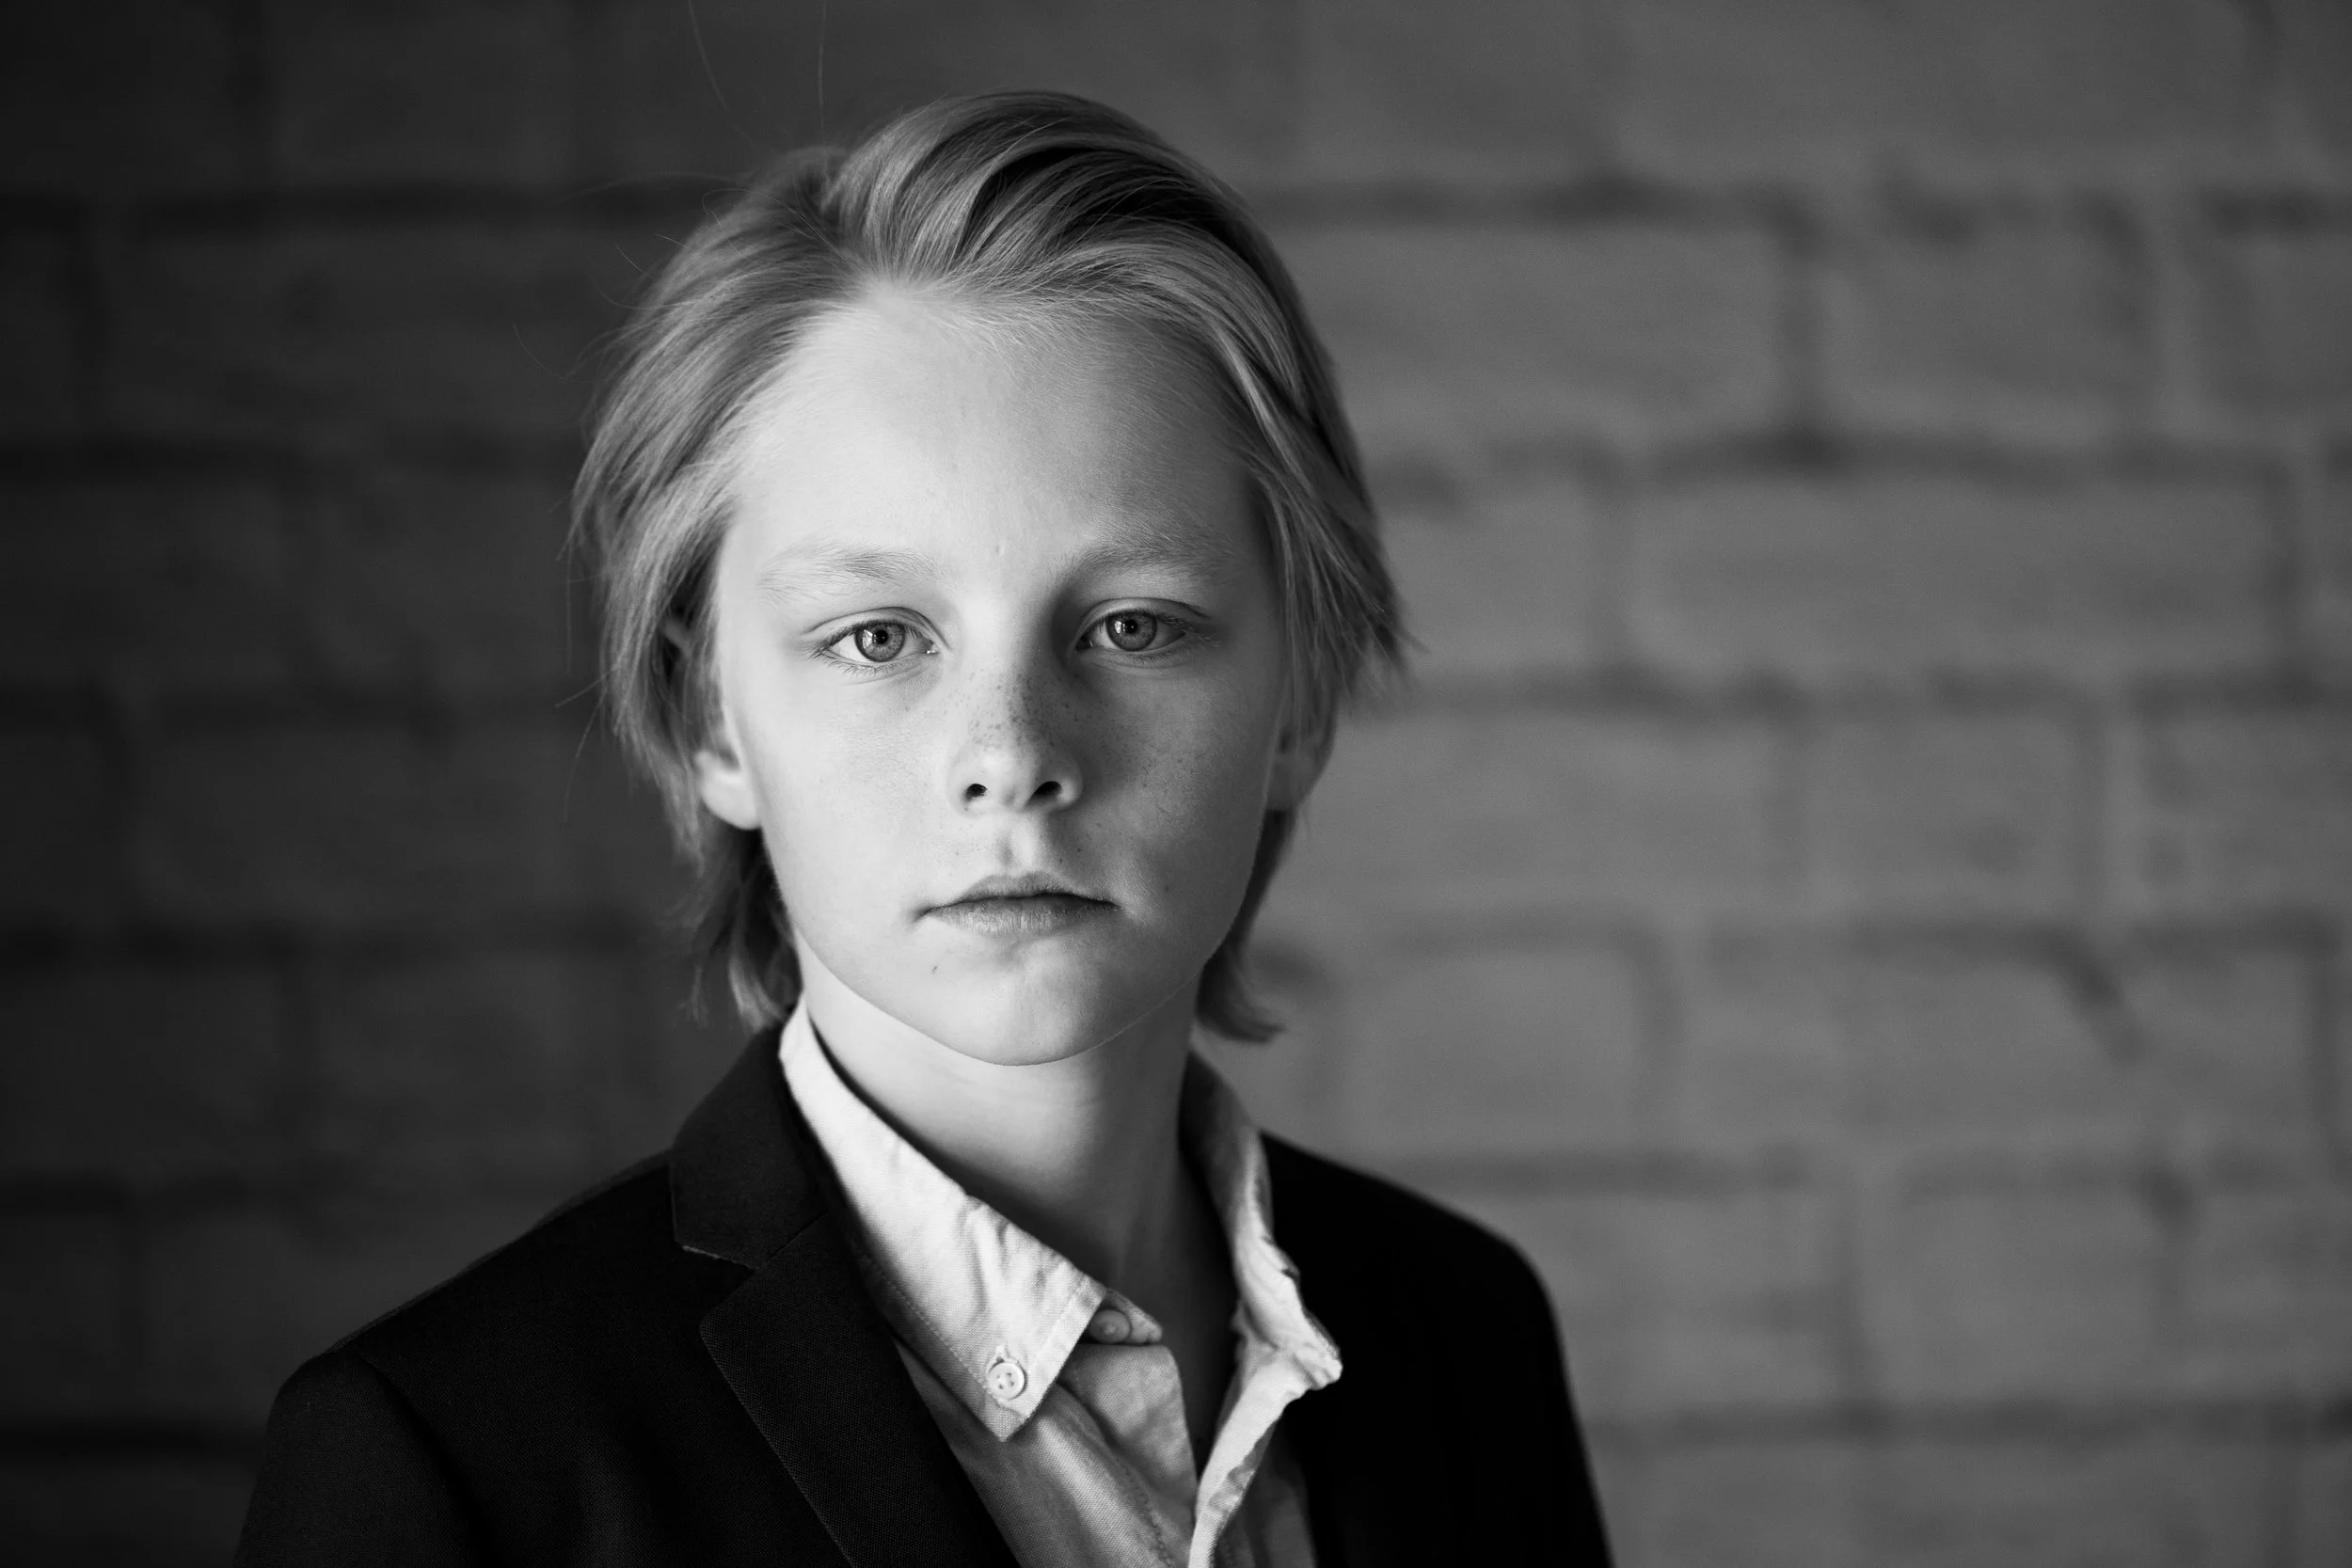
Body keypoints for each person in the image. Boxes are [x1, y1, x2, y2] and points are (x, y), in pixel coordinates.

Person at [235, 90, 1613, 1568]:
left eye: (1132, 624)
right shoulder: (450, 1467)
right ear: (712, 722)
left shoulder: (1466, 1335)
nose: (1010, 758)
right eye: (878, 636)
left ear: (1300, 700)